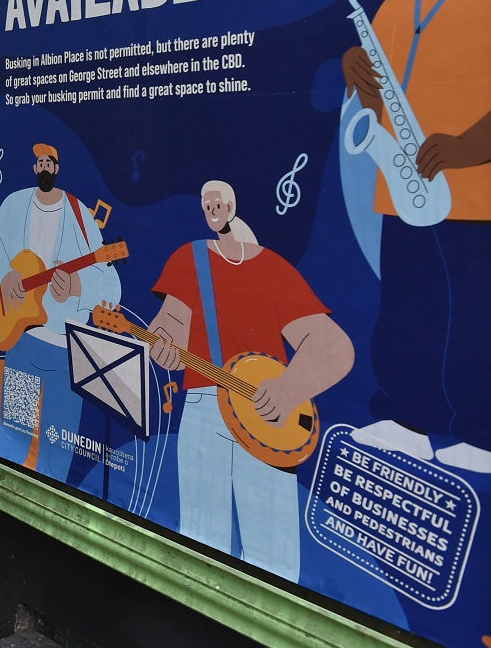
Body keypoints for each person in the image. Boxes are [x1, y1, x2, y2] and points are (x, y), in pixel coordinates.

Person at [342, 0, 491, 473]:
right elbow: (377, 91)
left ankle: (478, 432)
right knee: (405, 306)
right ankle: (406, 418)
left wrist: (465, 147)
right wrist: (354, 69)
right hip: (403, 181)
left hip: (471, 188)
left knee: (473, 313)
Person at [147, 181, 354, 582]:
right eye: (207, 203)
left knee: (272, 558)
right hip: (205, 407)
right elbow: (168, 324)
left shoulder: (274, 268)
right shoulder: (189, 259)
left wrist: (290, 389)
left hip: (267, 415)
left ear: (234, 206)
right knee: (200, 543)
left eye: (220, 202)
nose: (214, 209)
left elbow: (334, 346)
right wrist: (163, 343)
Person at [0, 143, 120, 479]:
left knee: (58, 452)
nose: (44, 167)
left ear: (56, 169)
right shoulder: (16, 204)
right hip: (21, 347)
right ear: (35, 168)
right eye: (39, 162)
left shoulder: (80, 216)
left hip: (64, 354)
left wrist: (78, 287)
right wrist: (5, 274)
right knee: (12, 440)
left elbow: (112, 285)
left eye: (50, 162)